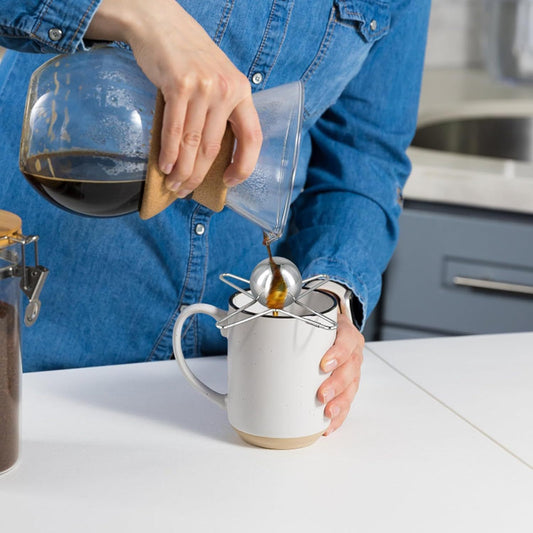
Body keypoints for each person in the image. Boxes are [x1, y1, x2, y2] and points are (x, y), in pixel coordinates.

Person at [0, 0, 431, 435]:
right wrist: (145, 16)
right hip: (35, 355)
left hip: (228, 374)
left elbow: (364, 158)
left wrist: (331, 291)